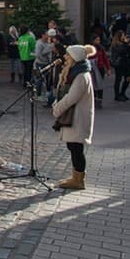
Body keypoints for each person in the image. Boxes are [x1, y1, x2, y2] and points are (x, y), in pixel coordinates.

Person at [51, 45, 95, 190]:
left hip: (77, 117)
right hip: (73, 116)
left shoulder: (81, 75)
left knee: (76, 147)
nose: (65, 57)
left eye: (68, 55)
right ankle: (76, 177)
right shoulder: (76, 72)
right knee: (73, 146)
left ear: (75, 57)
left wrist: (57, 108)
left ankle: (78, 180)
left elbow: (72, 97)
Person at [109, 30, 130, 101]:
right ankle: (117, 95)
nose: (124, 36)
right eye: (123, 35)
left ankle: (123, 93)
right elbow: (121, 51)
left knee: (128, 78)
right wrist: (126, 44)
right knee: (118, 79)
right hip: (119, 64)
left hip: (126, 63)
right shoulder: (116, 44)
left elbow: (128, 51)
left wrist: (128, 45)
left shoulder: (124, 43)